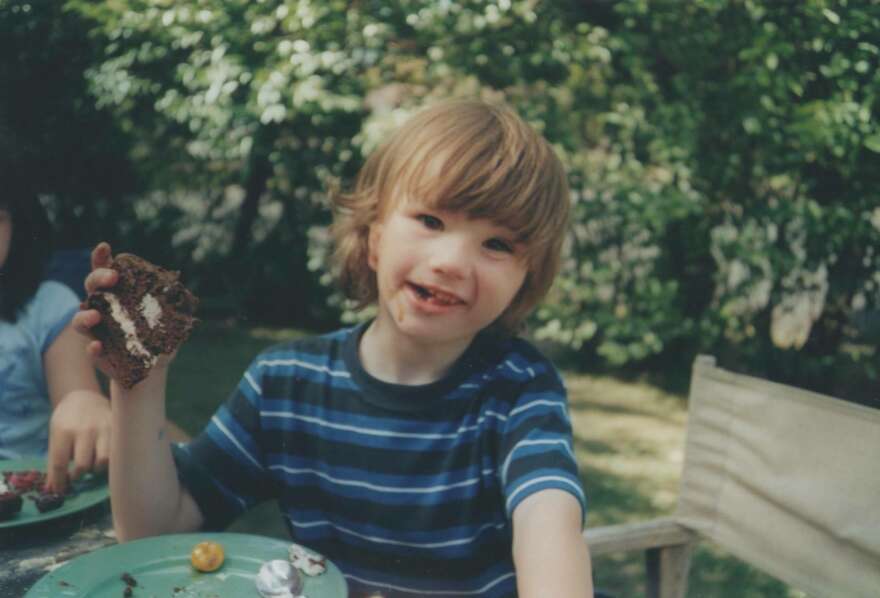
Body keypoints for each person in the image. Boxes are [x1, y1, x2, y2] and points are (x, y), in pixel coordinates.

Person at [77, 99, 594, 597]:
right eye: (431, 221)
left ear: (525, 281)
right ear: (373, 238)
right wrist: (137, 379)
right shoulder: (286, 383)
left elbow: (549, 532)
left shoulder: (521, 391)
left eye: (497, 244)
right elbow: (154, 533)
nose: (453, 261)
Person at [0, 197, 112, 493]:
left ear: (18, 225)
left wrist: (84, 403)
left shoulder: (49, 305)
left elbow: (76, 400)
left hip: (37, 490)